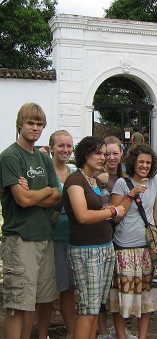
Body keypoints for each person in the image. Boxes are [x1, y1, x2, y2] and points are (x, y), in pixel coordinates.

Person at [0, 103, 60, 339]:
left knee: (35, 301)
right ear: (20, 124)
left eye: (39, 124)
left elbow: (57, 197)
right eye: (30, 123)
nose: (35, 128)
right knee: (17, 305)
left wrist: (37, 192)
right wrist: (44, 190)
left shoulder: (43, 158)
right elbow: (22, 201)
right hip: (20, 239)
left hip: (44, 237)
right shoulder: (10, 157)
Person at [63, 136, 126, 339]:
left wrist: (105, 209)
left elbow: (93, 209)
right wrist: (112, 212)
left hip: (103, 247)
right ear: (85, 154)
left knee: (95, 307)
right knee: (89, 310)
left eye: (105, 154)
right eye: (98, 153)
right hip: (87, 250)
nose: (103, 157)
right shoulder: (75, 180)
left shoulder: (92, 179)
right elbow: (82, 215)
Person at [109, 144, 157, 339]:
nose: (144, 165)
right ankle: (121, 337)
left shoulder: (155, 182)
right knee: (121, 297)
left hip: (147, 249)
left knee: (146, 297)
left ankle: (142, 337)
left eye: (148, 162)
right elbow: (116, 215)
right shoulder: (121, 183)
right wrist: (131, 193)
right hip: (124, 249)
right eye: (141, 161)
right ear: (133, 161)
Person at [94, 136, 125, 339]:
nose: (111, 157)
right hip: (100, 237)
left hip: (122, 239)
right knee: (103, 290)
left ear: (122, 154)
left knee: (117, 289)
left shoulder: (125, 177)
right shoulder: (95, 176)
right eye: (107, 154)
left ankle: (118, 330)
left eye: (115, 153)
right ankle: (103, 332)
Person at [48, 130, 76, 339]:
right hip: (52, 236)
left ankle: (71, 331)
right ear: (51, 148)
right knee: (48, 289)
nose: (65, 150)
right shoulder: (46, 171)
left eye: (68, 145)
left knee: (68, 288)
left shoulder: (73, 171)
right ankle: (42, 333)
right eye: (61, 146)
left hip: (73, 236)